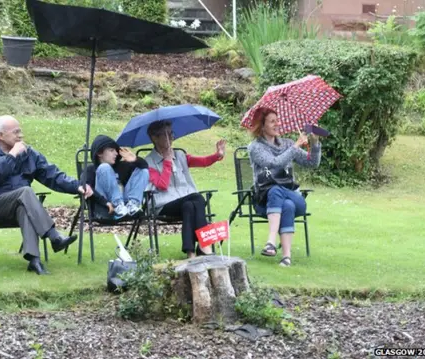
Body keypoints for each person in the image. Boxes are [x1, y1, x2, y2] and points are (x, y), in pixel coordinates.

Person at [0, 115, 94, 275]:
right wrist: (12, 155)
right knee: (26, 191)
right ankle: (54, 236)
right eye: (16, 132)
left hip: (21, 204)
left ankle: (34, 261)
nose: (20, 136)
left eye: (20, 132)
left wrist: (77, 186)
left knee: (25, 206)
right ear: (0, 136)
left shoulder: (28, 154)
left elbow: (52, 175)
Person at [247, 107, 321, 267]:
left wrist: (315, 142)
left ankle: (271, 241)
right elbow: (274, 163)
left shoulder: (286, 144)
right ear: (262, 125)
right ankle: (286, 257)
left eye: (277, 120)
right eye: (272, 121)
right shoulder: (255, 148)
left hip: (295, 198)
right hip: (264, 202)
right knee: (282, 199)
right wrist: (295, 147)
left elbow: (312, 162)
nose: (277, 124)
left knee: (277, 191)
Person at [144, 120, 227, 259]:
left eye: (171, 134)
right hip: (162, 204)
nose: (171, 138)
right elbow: (162, 185)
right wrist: (167, 162)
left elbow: (202, 162)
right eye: (165, 135)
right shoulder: (148, 162)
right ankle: (204, 245)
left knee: (189, 205)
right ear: (154, 138)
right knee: (197, 197)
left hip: (185, 201)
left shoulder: (180, 155)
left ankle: (191, 252)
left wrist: (217, 155)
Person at [80, 135, 150, 220]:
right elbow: (84, 187)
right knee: (104, 167)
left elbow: (144, 167)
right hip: (105, 207)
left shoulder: (121, 166)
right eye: (111, 150)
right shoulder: (90, 169)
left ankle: (132, 205)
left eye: (116, 150)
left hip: (125, 208)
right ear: (99, 153)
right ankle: (118, 206)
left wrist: (135, 159)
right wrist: (105, 203)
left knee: (143, 171)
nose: (116, 153)